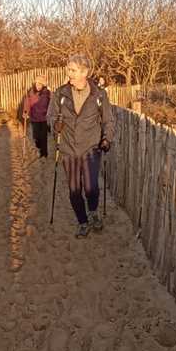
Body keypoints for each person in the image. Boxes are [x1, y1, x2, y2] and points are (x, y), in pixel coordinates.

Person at [47, 54, 114, 237]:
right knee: (74, 190)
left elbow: (108, 120)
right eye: (68, 69)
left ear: (84, 72)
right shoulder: (60, 94)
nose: (69, 73)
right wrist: (54, 124)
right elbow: (50, 116)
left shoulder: (99, 95)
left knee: (91, 187)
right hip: (68, 149)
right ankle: (82, 222)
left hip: (91, 148)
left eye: (73, 70)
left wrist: (107, 139)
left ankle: (93, 212)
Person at [22, 75, 51, 158]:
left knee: (43, 137)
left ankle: (44, 153)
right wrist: (25, 112)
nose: (38, 86)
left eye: (40, 84)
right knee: (36, 137)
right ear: (35, 84)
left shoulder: (47, 93)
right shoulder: (31, 93)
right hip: (35, 118)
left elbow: (52, 103)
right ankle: (39, 148)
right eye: (37, 84)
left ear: (43, 85)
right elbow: (27, 103)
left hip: (44, 118)